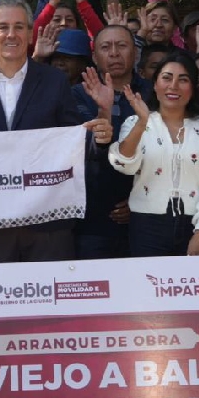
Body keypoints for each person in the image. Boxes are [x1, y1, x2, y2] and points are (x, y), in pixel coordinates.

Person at [0, 0, 111, 263]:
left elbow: (74, 142)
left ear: (30, 33)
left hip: (47, 227)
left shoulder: (54, 81)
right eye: (3, 27)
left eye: (19, 27)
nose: (11, 34)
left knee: (49, 302)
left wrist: (99, 134)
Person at [109, 51, 199, 257]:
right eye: (166, 78)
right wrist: (142, 122)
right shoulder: (135, 123)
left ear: (192, 87)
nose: (173, 86)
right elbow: (124, 165)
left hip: (195, 225)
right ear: (155, 84)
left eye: (183, 80)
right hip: (146, 226)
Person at [73, 25, 148, 258]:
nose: (114, 53)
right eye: (105, 47)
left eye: (122, 45)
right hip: (91, 218)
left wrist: (138, 199)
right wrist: (103, 112)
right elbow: (85, 149)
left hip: (144, 216)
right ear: (94, 56)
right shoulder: (76, 94)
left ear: (135, 53)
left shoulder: (153, 93)